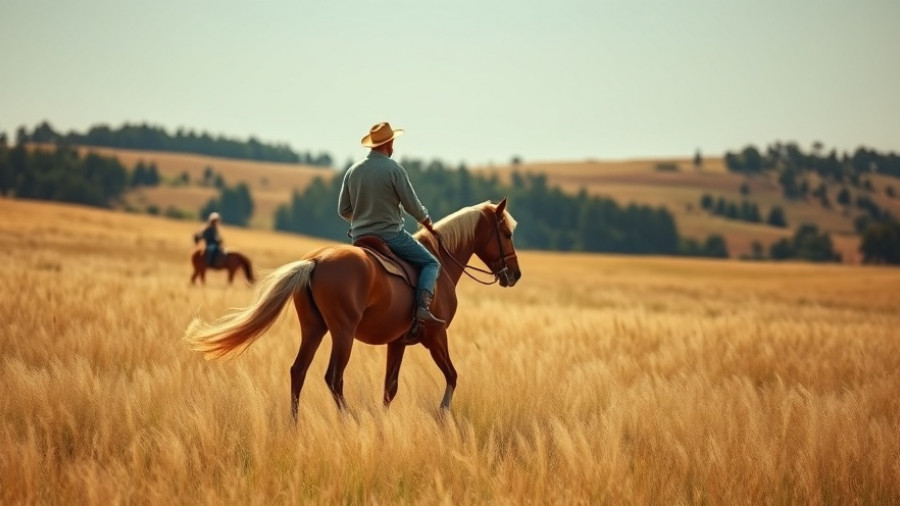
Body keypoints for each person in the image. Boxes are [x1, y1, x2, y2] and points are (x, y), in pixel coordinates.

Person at [338, 122, 445, 326]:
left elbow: (343, 210)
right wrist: (427, 222)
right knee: (432, 263)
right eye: (393, 142)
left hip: (359, 238)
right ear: (389, 144)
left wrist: (363, 218)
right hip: (391, 236)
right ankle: (422, 308)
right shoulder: (394, 169)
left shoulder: (353, 171)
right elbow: (412, 205)